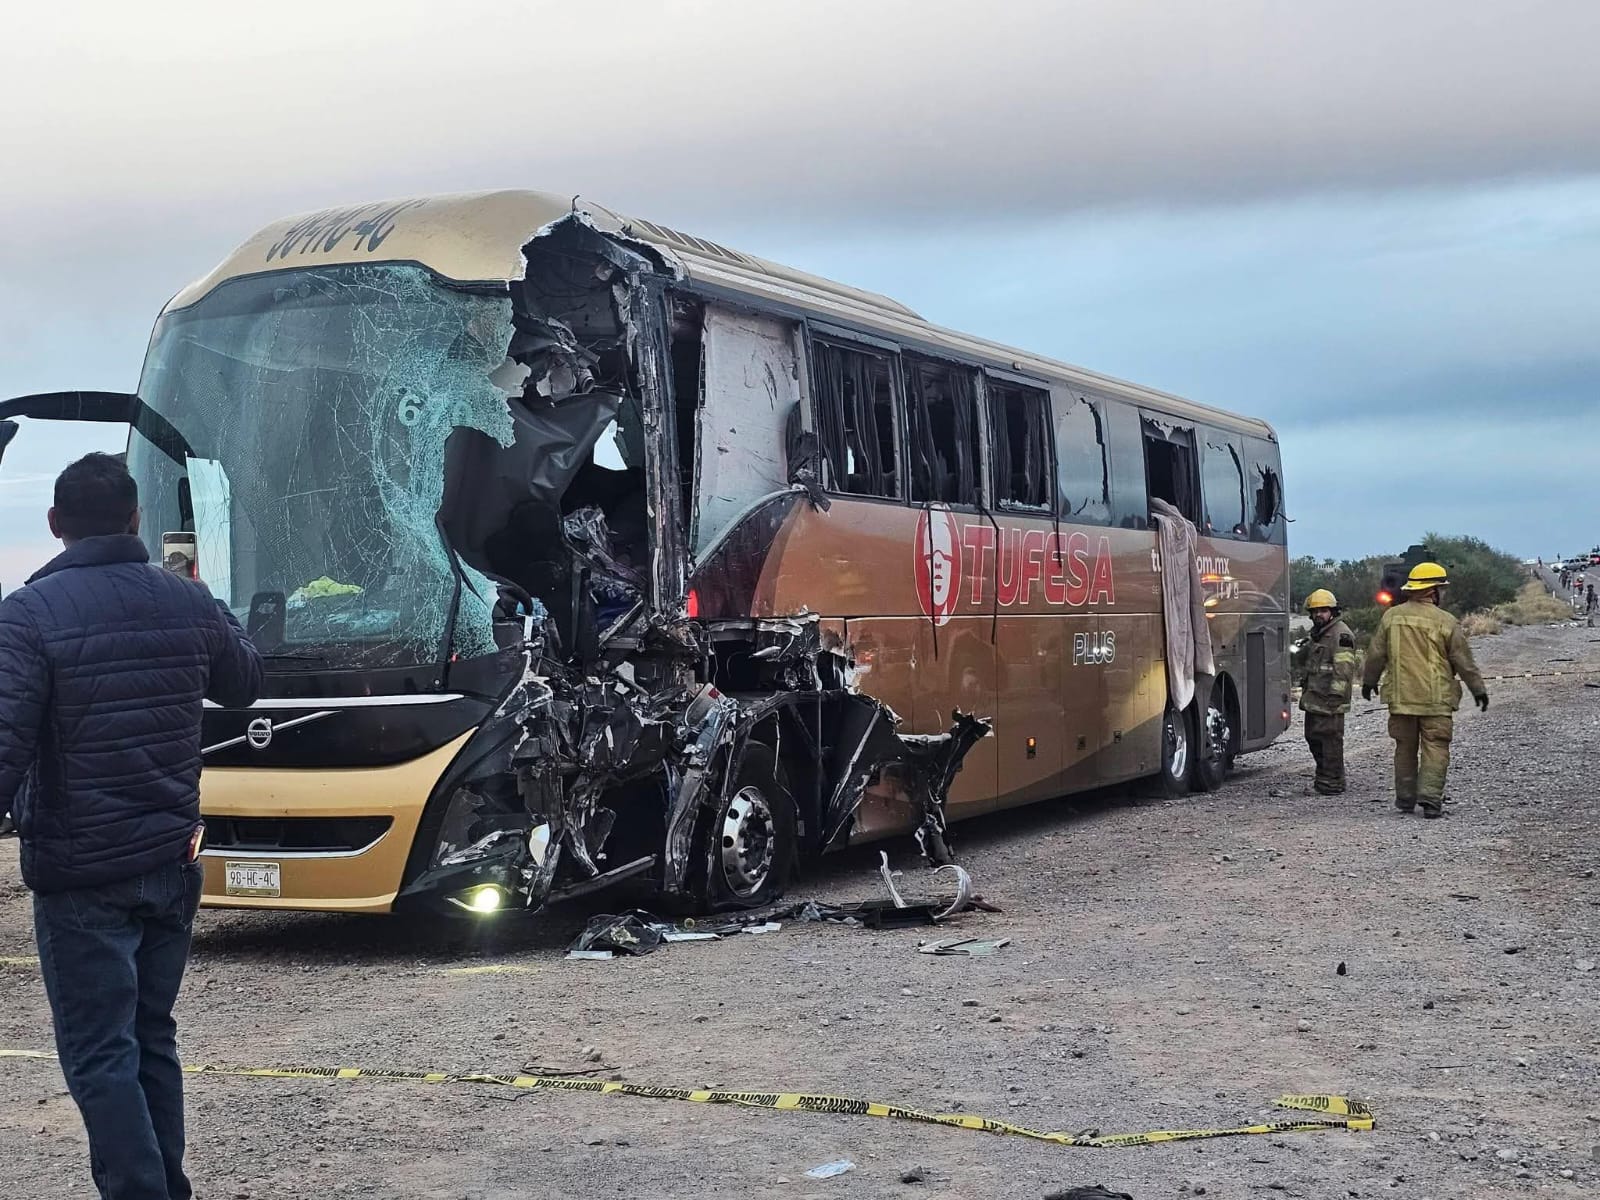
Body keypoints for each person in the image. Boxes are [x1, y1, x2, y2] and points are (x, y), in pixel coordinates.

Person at [0, 453, 262, 1200]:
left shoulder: (26, 614)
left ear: (55, 526)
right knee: (150, 1037)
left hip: (83, 875)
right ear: (136, 519)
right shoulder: (185, 600)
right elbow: (244, 685)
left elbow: (5, 742)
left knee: (99, 1052)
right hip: (172, 861)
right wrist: (210, 597)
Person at [1360, 561, 1487, 819]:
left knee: (1404, 748)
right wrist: (1478, 690)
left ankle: (1405, 799)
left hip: (1402, 698)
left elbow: (1375, 654)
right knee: (1436, 746)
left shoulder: (1391, 617)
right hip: (1436, 699)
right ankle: (1430, 800)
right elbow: (1463, 661)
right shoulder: (1446, 621)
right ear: (1433, 590)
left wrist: (1368, 681)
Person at [1292, 588, 1359, 794]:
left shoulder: (1341, 635)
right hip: (1315, 698)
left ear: (1332, 611)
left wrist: (1335, 697)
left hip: (1330, 701)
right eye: (1315, 611)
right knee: (1314, 738)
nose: (1318, 614)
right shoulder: (1320, 635)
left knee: (1329, 742)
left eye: (1323, 610)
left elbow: (1344, 670)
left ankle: (1331, 783)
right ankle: (1325, 778)